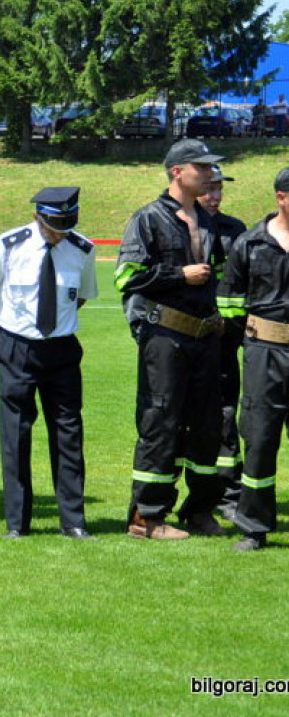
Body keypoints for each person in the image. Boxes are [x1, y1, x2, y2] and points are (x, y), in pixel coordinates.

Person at [116, 139, 227, 539]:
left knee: (206, 427)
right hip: (164, 337)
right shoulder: (147, 219)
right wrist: (179, 275)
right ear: (178, 171)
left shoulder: (210, 220)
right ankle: (146, 517)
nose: (211, 174)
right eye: (202, 167)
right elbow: (126, 277)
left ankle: (199, 512)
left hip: (204, 340)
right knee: (160, 421)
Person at [0, 187, 97, 539]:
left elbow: (83, 296)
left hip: (61, 350)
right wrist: (15, 325)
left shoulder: (82, 249)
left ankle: (73, 521)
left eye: (65, 224)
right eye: (53, 225)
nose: (60, 233)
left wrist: (56, 322)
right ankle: (17, 523)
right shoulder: (7, 245)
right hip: (17, 347)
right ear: (36, 216)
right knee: (16, 435)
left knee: (69, 434)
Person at [218, 167, 289, 551]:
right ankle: (254, 527)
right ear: (281, 197)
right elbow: (229, 305)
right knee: (260, 439)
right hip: (265, 352)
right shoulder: (249, 244)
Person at [200, 166, 247, 521]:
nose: (215, 196)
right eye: (209, 188)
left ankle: (229, 495)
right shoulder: (178, 226)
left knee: (227, 418)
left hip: (226, 345)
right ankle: (187, 497)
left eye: (219, 190)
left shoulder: (236, 231)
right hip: (185, 341)